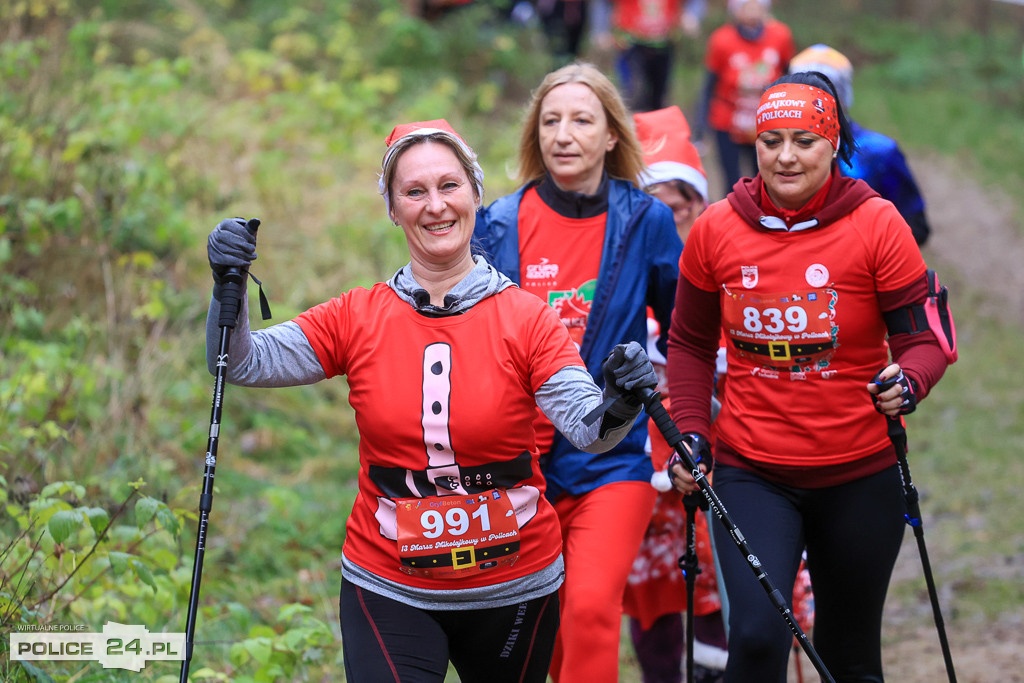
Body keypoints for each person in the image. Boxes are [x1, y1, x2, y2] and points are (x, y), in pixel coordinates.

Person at [204, 119, 660, 682]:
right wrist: (229, 283)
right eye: (414, 191)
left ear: (475, 194)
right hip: (388, 582)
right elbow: (242, 361)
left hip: (514, 585)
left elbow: (591, 431)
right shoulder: (357, 315)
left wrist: (620, 397)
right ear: (393, 209)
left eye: (449, 186)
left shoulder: (526, 318)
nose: (435, 205)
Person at [664, 71, 956, 681]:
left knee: (849, 656)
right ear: (754, 143)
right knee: (756, 640)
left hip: (859, 472)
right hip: (752, 470)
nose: (786, 155)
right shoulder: (718, 227)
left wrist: (911, 380)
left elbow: (923, 338)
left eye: (804, 140)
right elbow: (689, 344)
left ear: (832, 145)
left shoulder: (876, 225)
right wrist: (691, 432)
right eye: (772, 140)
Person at [473, 63, 683, 683]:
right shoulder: (498, 223)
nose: (563, 135)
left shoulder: (646, 221)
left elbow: (685, 337)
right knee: (543, 637)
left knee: (591, 610)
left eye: (582, 120)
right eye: (551, 121)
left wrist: (696, 425)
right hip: (518, 468)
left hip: (612, 460)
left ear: (612, 136)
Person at [625, 105, 727, 683]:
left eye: (678, 206)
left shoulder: (721, 262)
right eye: (651, 209)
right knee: (652, 588)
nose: (667, 220)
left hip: (713, 450)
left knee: (719, 580)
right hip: (641, 461)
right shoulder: (616, 272)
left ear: (697, 206)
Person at [789, 43, 932, 246]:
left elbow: (916, 226)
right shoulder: (782, 154)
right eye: (805, 93)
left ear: (844, 94)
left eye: (829, 91)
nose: (818, 104)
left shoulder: (879, 152)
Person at [693, 0, 795, 198]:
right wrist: (700, 128)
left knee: (767, 179)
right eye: (745, 5)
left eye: (757, 5)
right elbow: (709, 85)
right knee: (732, 182)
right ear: (735, 10)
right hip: (728, 120)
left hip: (767, 120)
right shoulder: (721, 39)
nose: (752, 10)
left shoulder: (780, 35)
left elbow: (790, 78)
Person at [590, 0, 707, 113]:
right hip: (631, 45)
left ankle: (655, 129)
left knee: (659, 98)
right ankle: (632, 129)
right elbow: (602, 3)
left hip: (664, 44)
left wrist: (693, 15)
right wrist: (600, 30)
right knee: (634, 95)